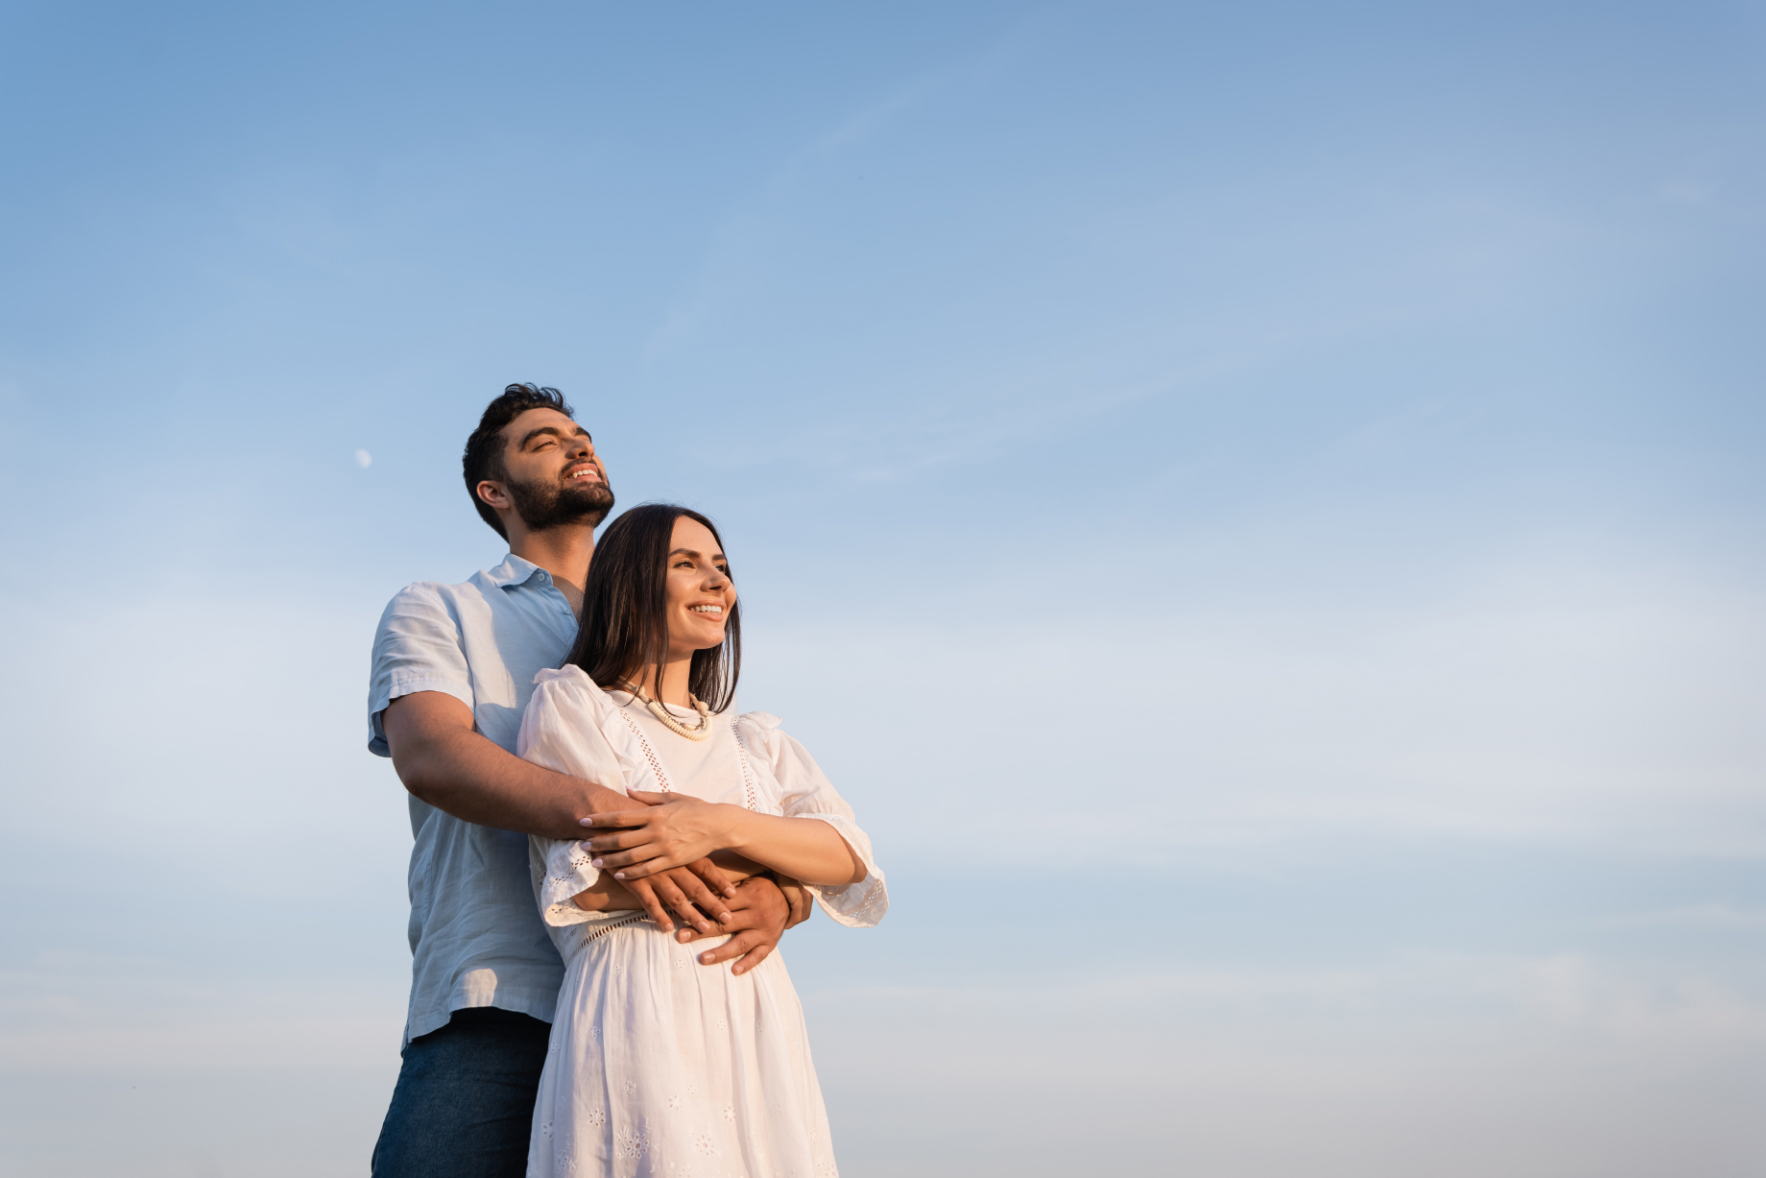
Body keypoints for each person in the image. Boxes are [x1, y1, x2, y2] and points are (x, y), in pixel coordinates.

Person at [367, 385, 808, 1178]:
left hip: (667, 998)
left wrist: (787, 896)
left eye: (581, 434)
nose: (577, 446)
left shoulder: (667, 617)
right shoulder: (441, 608)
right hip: (503, 992)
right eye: (543, 441)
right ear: (492, 492)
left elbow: (737, 788)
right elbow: (431, 755)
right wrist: (643, 830)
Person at [518, 503, 886, 1177]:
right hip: (637, 1004)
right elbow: (603, 880)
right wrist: (779, 869)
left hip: (756, 1011)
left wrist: (719, 828)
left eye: (721, 567)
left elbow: (846, 857)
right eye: (686, 564)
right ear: (628, 581)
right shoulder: (576, 706)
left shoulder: (755, 741)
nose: (716, 582)